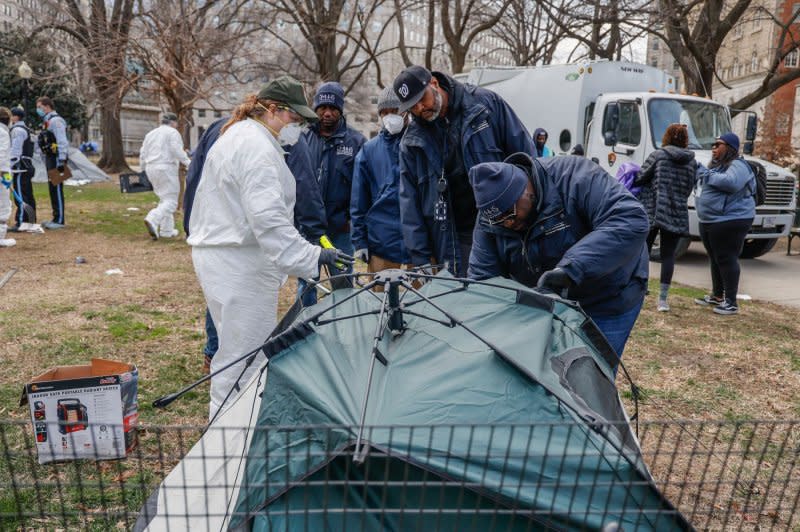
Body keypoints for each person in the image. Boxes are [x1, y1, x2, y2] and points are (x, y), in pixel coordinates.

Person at [187, 76, 353, 418]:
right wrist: (313, 255)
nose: (297, 126)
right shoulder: (256, 147)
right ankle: (231, 436)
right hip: (239, 263)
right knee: (244, 358)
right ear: (274, 110)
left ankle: (235, 426)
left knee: (236, 349)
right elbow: (269, 220)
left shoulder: (240, 136)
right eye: (294, 117)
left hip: (226, 256)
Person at [468, 153, 649, 360]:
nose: (507, 224)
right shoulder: (491, 219)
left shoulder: (575, 177)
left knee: (592, 375)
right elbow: (482, 281)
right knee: (548, 373)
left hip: (609, 294)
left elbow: (631, 219)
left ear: (527, 190)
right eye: (498, 221)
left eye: (510, 214)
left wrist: (570, 270)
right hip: (548, 301)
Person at [392, 65, 534, 276]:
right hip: (454, 237)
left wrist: (530, 214)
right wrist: (421, 257)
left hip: (505, 225)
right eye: (413, 106)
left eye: (423, 99)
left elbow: (526, 157)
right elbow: (409, 203)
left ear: (434, 83)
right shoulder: (412, 142)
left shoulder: (485, 105)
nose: (421, 108)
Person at [297, 81, 366, 305]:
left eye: (333, 109)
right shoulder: (301, 140)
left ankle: (344, 328)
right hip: (308, 231)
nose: (327, 113)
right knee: (307, 285)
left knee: (343, 286)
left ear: (340, 110)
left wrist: (351, 220)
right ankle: (306, 327)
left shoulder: (356, 142)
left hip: (340, 231)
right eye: (322, 108)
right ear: (315, 109)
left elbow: (362, 187)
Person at [635, 123, 696, 312]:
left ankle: (641, 289)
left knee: (643, 249)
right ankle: (662, 300)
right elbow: (689, 187)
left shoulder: (658, 155)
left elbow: (640, 177)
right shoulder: (692, 161)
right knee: (668, 255)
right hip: (676, 211)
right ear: (685, 139)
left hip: (653, 208)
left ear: (667, 137)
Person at [350, 87, 411, 277]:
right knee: (380, 301)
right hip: (381, 241)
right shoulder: (369, 151)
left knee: (422, 301)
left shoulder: (420, 144)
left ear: (406, 111)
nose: (389, 117)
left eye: (395, 111)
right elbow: (358, 200)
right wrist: (360, 241)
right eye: (384, 112)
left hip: (417, 241)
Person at [693, 132, 755, 316]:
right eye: (713, 145)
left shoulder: (739, 165)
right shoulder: (717, 166)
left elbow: (731, 183)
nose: (714, 148)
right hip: (711, 219)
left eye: (718, 145)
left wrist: (705, 174)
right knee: (715, 257)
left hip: (731, 219)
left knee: (727, 258)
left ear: (729, 148)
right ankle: (717, 296)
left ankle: (731, 302)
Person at [140, 112, 191, 240]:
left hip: (150, 168)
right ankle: (153, 218)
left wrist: (142, 170)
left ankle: (166, 231)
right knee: (172, 202)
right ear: (173, 123)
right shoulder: (173, 133)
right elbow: (176, 150)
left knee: (165, 199)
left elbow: (143, 153)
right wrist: (189, 163)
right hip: (165, 168)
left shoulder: (150, 134)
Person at [36, 97, 69, 229]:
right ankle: (56, 217)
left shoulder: (56, 121)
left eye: (40, 107)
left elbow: (62, 141)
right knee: (52, 188)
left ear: (47, 106)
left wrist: (62, 159)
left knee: (56, 188)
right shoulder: (47, 121)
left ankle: (59, 220)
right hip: (51, 157)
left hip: (57, 158)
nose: (38, 110)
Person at [9, 107, 36, 229]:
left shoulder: (17, 130)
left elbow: (16, 150)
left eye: (11, 115)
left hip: (20, 166)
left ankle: (21, 222)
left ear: (15, 117)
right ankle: (31, 220)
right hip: (28, 164)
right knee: (28, 194)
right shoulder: (27, 129)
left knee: (20, 194)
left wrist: (9, 164)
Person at [0, 107, 17, 247]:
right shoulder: (3, 133)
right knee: (4, 205)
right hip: (1, 173)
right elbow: (2, 156)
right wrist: (5, 176)